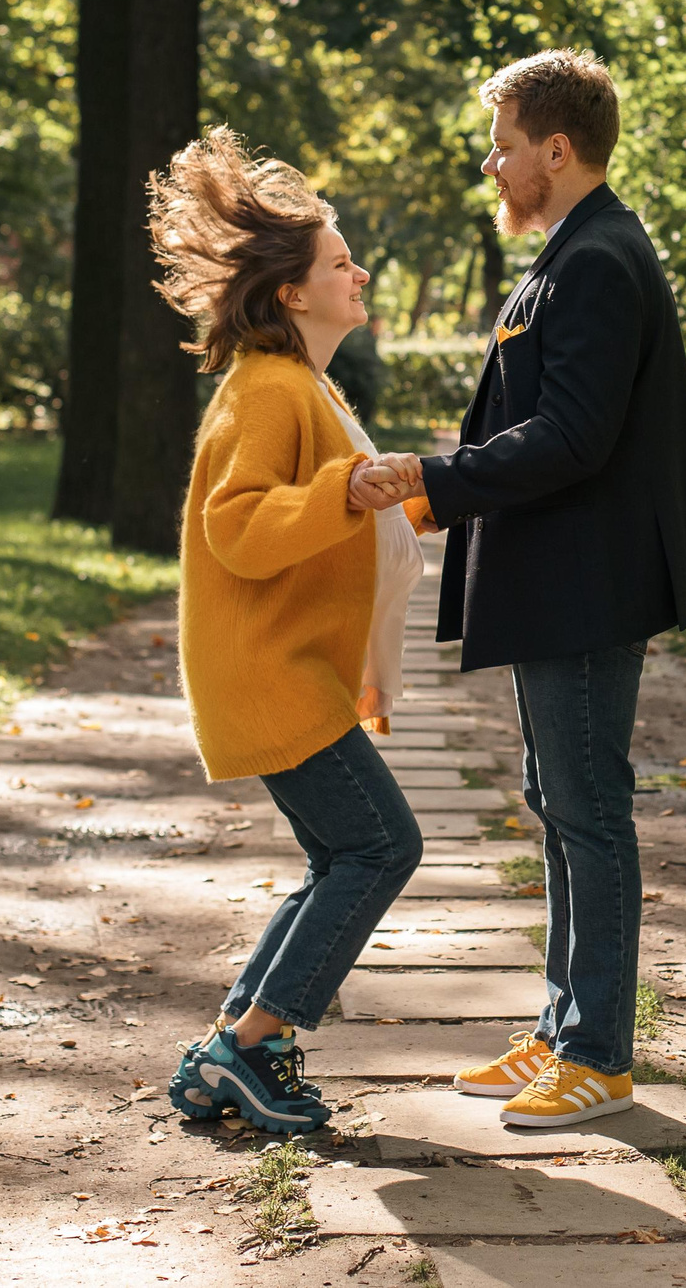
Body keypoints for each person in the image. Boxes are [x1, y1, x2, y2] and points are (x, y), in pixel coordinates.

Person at [356, 49, 686, 1127]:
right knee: (558, 803)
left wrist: (429, 481)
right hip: (563, 576)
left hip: (587, 580)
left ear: (554, 151)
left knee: (588, 810)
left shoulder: (600, 260)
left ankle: (601, 1058)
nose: (492, 165)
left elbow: (570, 437)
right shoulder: (573, 253)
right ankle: (569, 1026)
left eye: (504, 146)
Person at [151, 130, 427, 1136]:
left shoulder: (307, 388)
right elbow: (240, 522)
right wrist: (344, 488)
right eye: (339, 263)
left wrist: (424, 496)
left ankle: (232, 1049)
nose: (358, 272)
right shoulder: (264, 392)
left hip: (291, 673)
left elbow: (352, 515)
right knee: (381, 847)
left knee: (343, 855)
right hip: (270, 676)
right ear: (290, 295)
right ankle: (248, 1045)